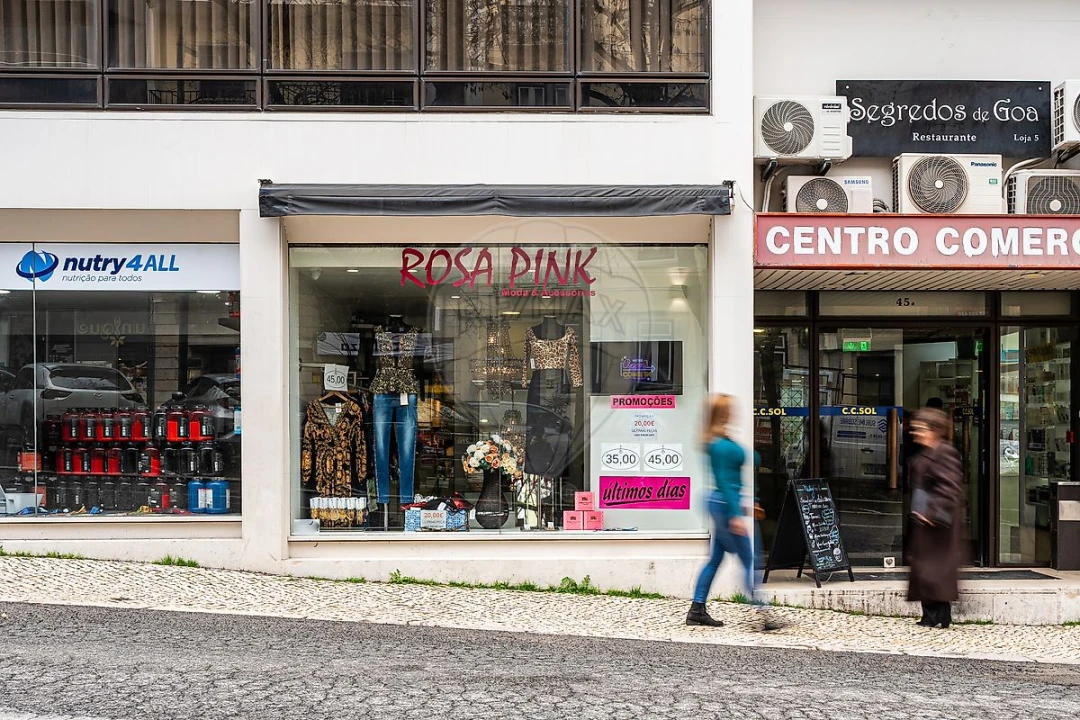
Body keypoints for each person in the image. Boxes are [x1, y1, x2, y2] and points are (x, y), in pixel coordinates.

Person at [686, 394, 780, 630]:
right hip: (726, 505)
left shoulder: (718, 439)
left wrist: (749, 502)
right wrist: (737, 514)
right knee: (749, 559)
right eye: (730, 410)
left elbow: (733, 478)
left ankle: (697, 610)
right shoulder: (719, 445)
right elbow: (725, 483)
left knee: (716, 558)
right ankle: (765, 613)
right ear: (723, 413)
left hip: (722, 503)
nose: (734, 413)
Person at [906, 407, 965, 629]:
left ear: (934, 430)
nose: (915, 433)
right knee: (928, 570)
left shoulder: (944, 452)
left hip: (937, 523)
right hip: (928, 521)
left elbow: (950, 487)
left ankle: (936, 616)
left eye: (920, 429)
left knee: (933, 570)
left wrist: (930, 512)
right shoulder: (928, 451)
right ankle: (935, 616)